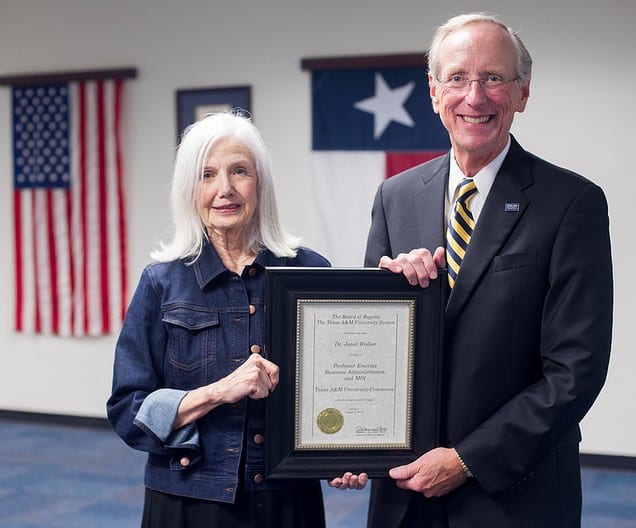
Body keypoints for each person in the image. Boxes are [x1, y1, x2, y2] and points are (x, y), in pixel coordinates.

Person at [339, 12, 613, 527]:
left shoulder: (572, 203)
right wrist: (348, 439)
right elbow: (370, 349)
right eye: (459, 78)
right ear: (434, 91)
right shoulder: (395, 197)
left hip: (514, 495)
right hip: (404, 493)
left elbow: (575, 370)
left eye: (494, 78)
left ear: (523, 92)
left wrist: (467, 461)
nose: (475, 96)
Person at [107, 111, 329, 528]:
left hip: (286, 498)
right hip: (188, 499)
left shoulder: (309, 271)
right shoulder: (161, 282)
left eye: (239, 171)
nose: (224, 189)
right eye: (207, 175)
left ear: (260, 183)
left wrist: (347, 451)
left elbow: (336, 386)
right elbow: (127, 410)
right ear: (189, 190)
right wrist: (218, 392)